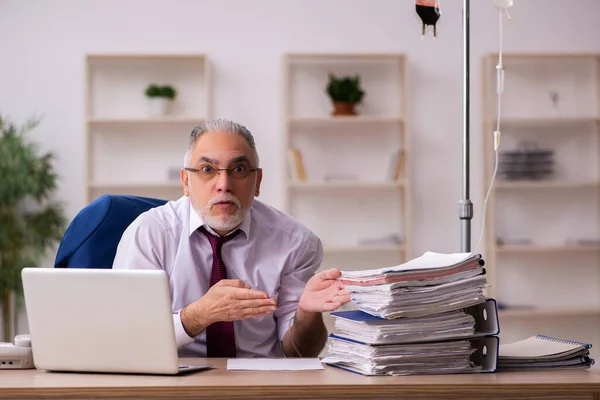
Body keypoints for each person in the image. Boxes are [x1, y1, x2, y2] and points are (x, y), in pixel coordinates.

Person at [112, 118, 351, 358]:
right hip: (174, 384)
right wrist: (199, 314)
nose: (224, 185)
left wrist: (306, 314)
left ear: (257, 182)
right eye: (207, 170)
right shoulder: (150, 233)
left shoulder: (296, 242)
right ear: (186, 181)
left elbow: (299, 354)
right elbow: (128, 340)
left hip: (260, 384)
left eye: (238, 169)